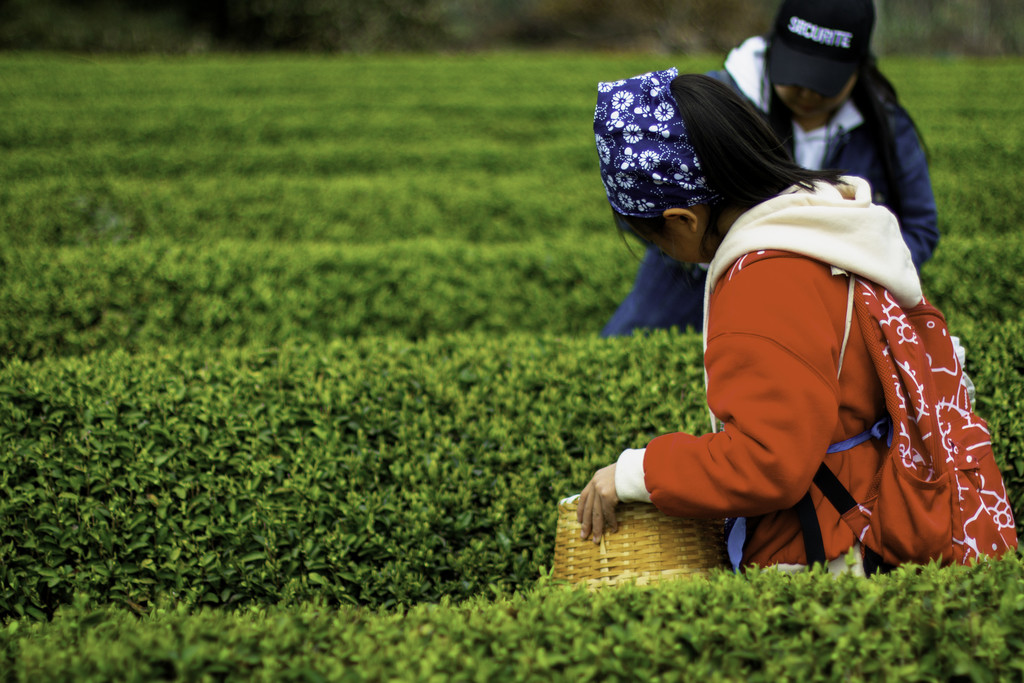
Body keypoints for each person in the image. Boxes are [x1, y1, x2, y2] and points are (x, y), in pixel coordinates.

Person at [579, 69, 1015, 575]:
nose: (667, 253)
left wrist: (633, 473)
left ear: (683, 219)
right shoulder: (824, 216)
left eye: (657, 241)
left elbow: (768, 463)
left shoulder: (763, 283)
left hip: (840, 538)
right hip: (895, 495)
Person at [601, 0, 938, 337]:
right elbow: (640, 202)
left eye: (823, 82)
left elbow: (920, 226)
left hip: (822, 311)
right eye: (795, 74)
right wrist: (713, 251)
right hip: (683, 295)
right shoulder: (721, 99)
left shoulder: (887, 126)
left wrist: (849, 275)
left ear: (858, 66)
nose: (806, 92)